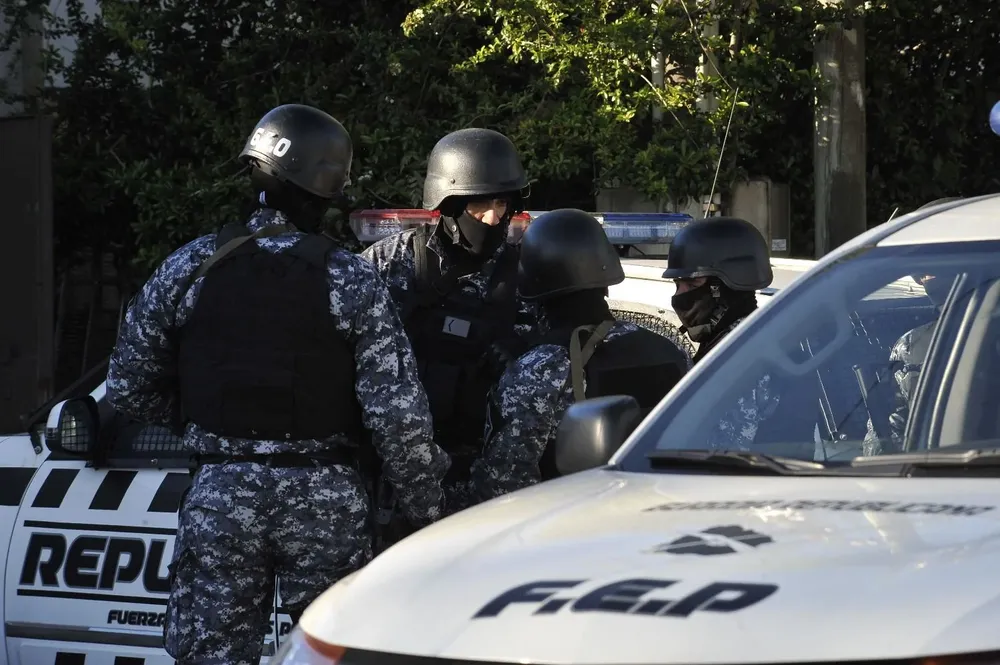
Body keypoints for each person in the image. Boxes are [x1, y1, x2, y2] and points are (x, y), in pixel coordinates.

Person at [105, 103, 449, 665]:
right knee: (337, 654)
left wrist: (203, 424)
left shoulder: (188, 267)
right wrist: (426, 510)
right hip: (324, 499)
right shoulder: (348, 277)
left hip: (219, 496)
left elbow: (128, 385)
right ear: (322, 189)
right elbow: (398, 420)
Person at [361, 127, 541, 514]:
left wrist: (524, 354)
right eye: (479, 204)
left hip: (489, 484)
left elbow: (566, 364)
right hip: (397, 478)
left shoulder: (527, 274)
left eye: (502, 203)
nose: (493, 218)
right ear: (448, 203)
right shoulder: (389, 264)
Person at [468, 208, 691, 502]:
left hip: (576, 530)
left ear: (534, 282)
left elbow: (501, 488)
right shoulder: (668, 350)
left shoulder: (536, 369)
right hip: (661, 516)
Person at [662, 217, 777, 449]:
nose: (679, 295)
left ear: (724, 287)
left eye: (692, 286)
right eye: (677, 284)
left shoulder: (740, 355)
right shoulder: (732, 339)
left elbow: (720, 455)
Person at [861, 197, 964, 455]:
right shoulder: (910, 347)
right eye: (920, 274)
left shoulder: (913, 346)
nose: (923, 279)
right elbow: (885, 437)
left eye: (931, 268)